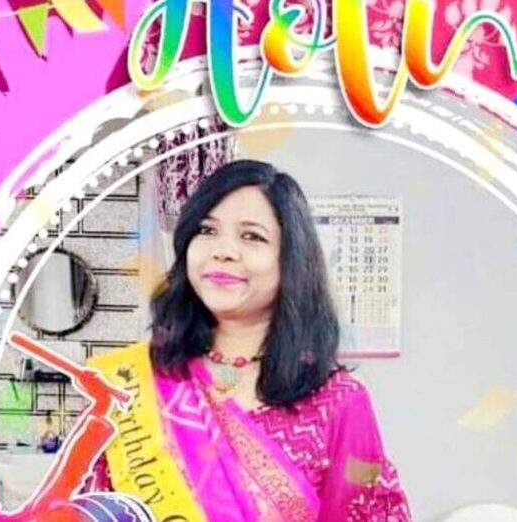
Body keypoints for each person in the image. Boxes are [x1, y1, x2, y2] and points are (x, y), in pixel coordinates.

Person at [85, 159, 412, 521]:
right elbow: (90, 509)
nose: (223, 250)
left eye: (252, 236)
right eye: (207, 230)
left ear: (291, 259)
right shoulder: (133, 385)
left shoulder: (339, 402)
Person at [0, 334, 155, 522]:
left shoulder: (39, 513)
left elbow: (71, 467)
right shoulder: (43, 514)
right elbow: (72, 467)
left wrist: (100, 405)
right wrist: (101, 404)